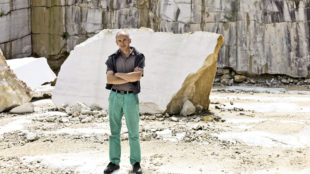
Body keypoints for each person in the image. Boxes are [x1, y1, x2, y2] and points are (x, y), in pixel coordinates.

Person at [104, 30, 145, 174]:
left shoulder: (139, 56)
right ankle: (114, 162)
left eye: (125, 40)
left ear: (130, 41)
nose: (122, 43)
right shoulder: (112, 58)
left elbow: (137, 77)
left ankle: (136, 163)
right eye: (119, 40)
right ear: (116, 42)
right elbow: (110, 79)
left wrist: (119, 75)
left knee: (133, 132)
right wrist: (129, 76)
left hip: (130, 97)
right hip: (115, 96)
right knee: (114, 132)